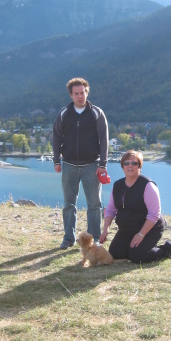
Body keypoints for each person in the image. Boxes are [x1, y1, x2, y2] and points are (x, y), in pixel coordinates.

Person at [53, 77, 109, 250]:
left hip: (92, 165)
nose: (80, 96)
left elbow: (104, 139)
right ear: (71, 95)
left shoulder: (96, 113)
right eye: (76, 93)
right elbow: (56, 137)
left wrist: (103, 164)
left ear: (87, 92)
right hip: (68, 165)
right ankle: (69, 238)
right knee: (69, 204)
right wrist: (56, 160)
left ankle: (95, 240)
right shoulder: (64, 114)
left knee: (94, 204)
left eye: (82, 93)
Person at [99, 150, 171, 263]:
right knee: (115, 253)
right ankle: (135, 248)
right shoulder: (117, 185)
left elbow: (154, 214)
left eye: (134, 163)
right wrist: (105, 229)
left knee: (138, 256)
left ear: (139, 166)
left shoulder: (148, 185)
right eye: (126, 163)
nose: (130, 166)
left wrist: (141, 234)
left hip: (150, 229)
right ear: (122, 166)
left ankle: (168, 248)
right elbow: (111, 209)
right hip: (127, 229)